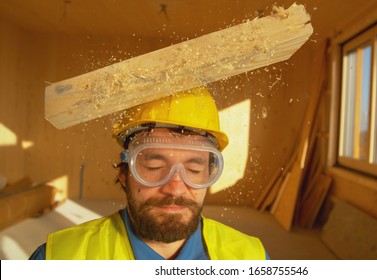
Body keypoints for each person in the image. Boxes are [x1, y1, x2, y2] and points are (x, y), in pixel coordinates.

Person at [29, 86, 268, 260]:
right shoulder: (58, 259)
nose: (175, 187)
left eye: (194, 169)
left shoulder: (250, 258)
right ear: (124, 173)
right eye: (154, 168)